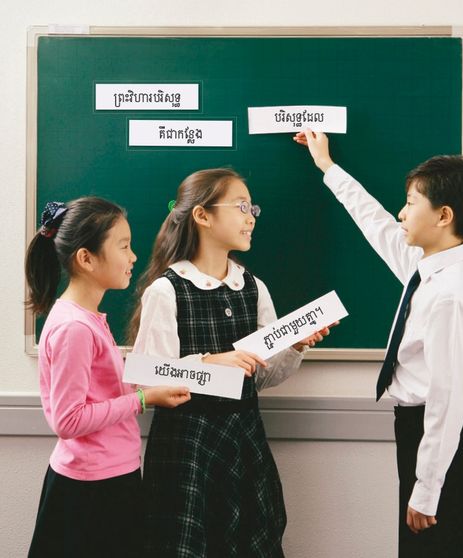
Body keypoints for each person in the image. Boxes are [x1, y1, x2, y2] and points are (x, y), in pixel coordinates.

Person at [294, 129, 463, 558]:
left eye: (410, 203)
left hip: (442, 435)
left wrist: (427, 489)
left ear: (443, 216)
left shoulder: (452, 294)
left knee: (439, 549)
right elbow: (376, 223)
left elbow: (449, 397)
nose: (400, 214)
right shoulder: (427, 268)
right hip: (419, 430)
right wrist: (327, 167)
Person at [129, 168, 330, 557]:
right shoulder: (167, 290)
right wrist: (212, 362)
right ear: (202, 216)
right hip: (188, 447)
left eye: (251, 206)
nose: (251, 216)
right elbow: (146, 377)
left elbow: (261, 375)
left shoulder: (252, 287)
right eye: (240, 206)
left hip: (244, 438)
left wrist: (295, 346)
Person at [25, 197, 191, 558]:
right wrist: (145, 400)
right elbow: (69, 420)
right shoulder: (74, 328)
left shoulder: (86, 319)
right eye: (124, 246)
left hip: (110, 475)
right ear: (86, 258)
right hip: (91, 489)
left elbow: (102, 389)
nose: (134, 257)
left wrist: (177, 369)